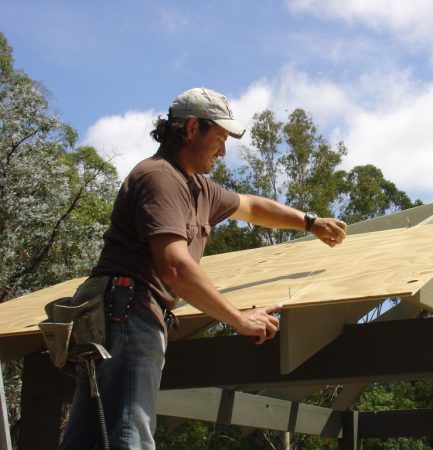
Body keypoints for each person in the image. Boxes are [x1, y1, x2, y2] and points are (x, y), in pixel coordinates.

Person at [58, 87, 348, 450]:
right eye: (221, 138)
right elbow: (176, 267)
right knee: (130, 435)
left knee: (88, 438)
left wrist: (310, 222)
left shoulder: (198, 188)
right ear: (192, 128)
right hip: (129, 311)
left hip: (123, 311)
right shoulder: (159, 177)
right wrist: (240, 319)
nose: (224, 151)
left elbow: (253, 208)